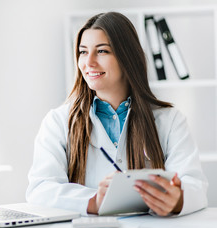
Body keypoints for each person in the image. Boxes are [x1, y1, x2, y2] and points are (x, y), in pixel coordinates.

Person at [26, 12, 208, 216]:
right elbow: (40, 189)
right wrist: (93, 201)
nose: (89, 62)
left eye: (102, 51)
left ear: (127, 56)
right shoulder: (58, 122)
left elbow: (195, 185)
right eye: (83, 52)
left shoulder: (169, 119)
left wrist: (177, 199)